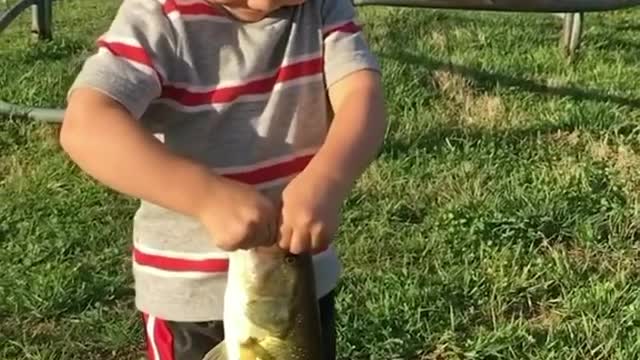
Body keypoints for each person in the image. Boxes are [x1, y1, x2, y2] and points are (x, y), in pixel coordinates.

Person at [59, 0, 386, 358]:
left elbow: (361, 96)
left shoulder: (321, 7)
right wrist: (206, 197)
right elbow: (86, 125)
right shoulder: (158, 17)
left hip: (301, 288)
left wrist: (329, 178)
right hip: (189, 297)